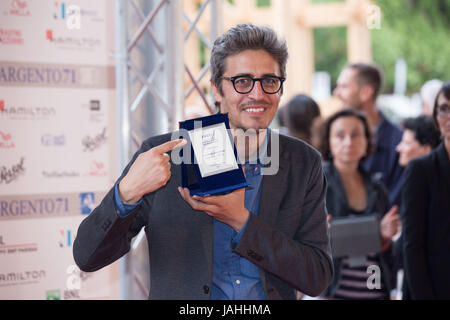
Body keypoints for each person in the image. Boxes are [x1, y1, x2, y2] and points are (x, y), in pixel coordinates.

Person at [73, 23, 333, 300]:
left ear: (280, 89)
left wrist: (241, 220)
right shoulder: (167, 155)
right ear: (217, 90)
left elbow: (317, 277)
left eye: (269, 81)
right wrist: (126, 193)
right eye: (242, 82)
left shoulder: (302, 162)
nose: (257, 94)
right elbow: (87, 257)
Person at [320, 109, 400, 300]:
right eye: (340, 135)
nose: (349, 142)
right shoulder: (315, 183)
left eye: (356, 135)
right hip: (332, 291)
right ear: (329, 142)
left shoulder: (377, 187)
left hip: (375, 290)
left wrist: (385, 237)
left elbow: (386, 250)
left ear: (367, 142)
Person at [401, 81, 450, 300]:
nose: (448, 116)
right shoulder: (421, 169)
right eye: (444, 108)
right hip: (433, 289)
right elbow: (412, 246)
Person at [334, 63, 404, 205]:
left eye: (344, 87)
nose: (336, 93)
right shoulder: (331, 138)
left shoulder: (398, 144)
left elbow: (394, 204)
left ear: (366, 92)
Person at [392, 115, 441, 299]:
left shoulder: (418, 180)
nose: (399, 148)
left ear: (426, 149)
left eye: (406, 143)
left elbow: (411, 246)